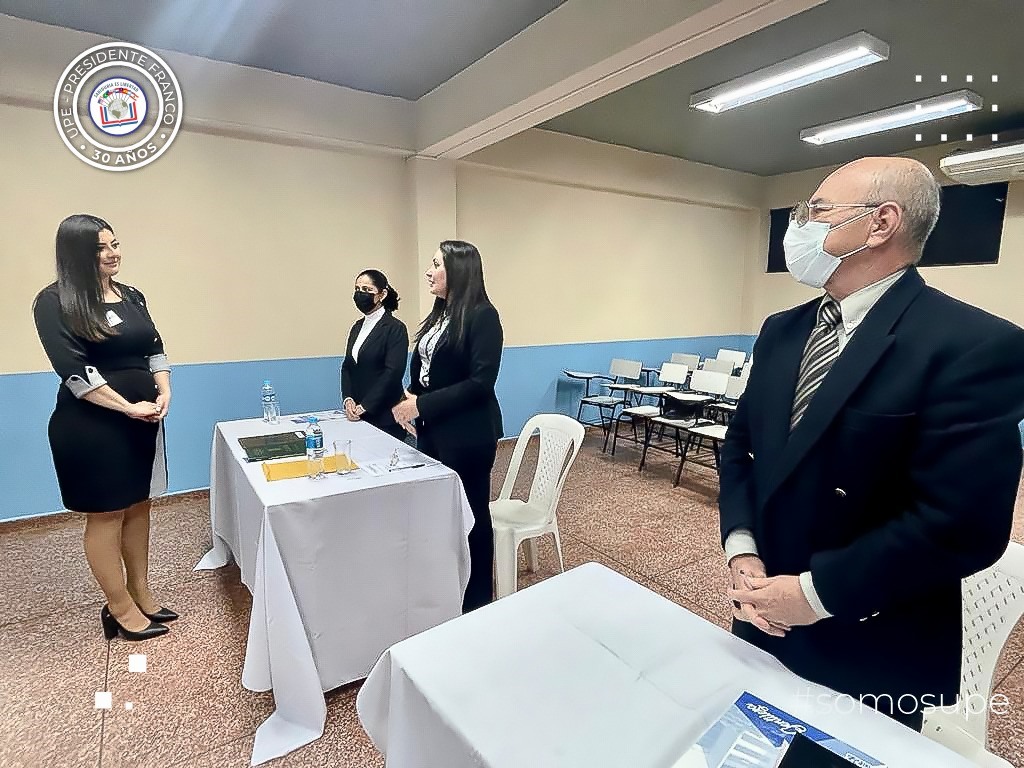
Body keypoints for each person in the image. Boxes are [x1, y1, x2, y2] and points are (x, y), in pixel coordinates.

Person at [721, 157, 1024, 730]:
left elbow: (962, 525)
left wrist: (814, 593)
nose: (801, 225)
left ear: (881, 223)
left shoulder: (973, 345)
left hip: (868, 638)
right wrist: (741, 546)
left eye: (818, 211)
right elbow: (741, 450)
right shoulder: (783, 330)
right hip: (761, 614)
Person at [33, 214, 175, 642]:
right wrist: (127, 407)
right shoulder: (54, 301)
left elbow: (155, 348)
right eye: (100, 248)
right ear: (76, 254)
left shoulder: (132, 295)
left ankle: (141, 593)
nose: (113, 254)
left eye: (115, 244)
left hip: (142, 419)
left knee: (139, 505)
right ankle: (118, 607)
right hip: (92, 425)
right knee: (107, 512)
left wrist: (164, 391)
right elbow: (74, 372)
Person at [392, 241, 503, 613]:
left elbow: (479, 383)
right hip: (435, 430)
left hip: (469, 435)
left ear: (458, 271)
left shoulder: (483, 316)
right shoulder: (441, 314)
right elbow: (429, 369)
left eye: (436, 264)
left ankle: (477, 601)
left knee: (472, 515)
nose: (428, 271)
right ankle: (445, 590)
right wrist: (413, 398)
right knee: (440, 514)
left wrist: (422, 403)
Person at [341, 269, 409, 441]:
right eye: (357, 289)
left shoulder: (395, 328)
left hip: (386, 416)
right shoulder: (357, 327)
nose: (360, 294)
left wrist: (366, 405)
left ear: (382, 294)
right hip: (358, 415)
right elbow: (348, 366)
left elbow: (392, 372)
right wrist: (348, 399)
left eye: (367, 289)